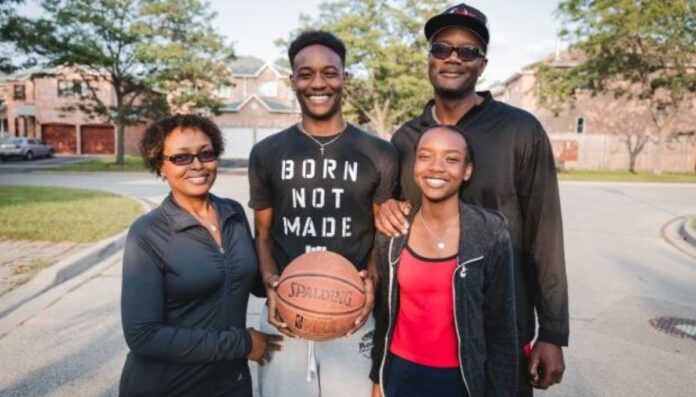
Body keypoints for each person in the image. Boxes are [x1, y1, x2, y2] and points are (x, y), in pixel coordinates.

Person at [374, 4, 568, 396]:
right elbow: (393, 222)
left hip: (501, 328)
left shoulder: (519, 130)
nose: (453, 58)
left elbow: (545, 232)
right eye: (442, 48)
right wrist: (383, 207)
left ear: (483, 64)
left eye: (468, 51)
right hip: (421, 341)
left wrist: (552, 332)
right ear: (429, 59)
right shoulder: (406, 139)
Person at [248, 31, 399, 397]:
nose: (319, 83)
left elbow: (383, 235)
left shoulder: (379, 153)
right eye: (306, 73)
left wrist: (370, 286)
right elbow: (264, 234)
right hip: (287, 310)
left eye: (330, 73)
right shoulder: (267, 153)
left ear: (345, 79)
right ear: (293, 82)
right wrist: (272, 286)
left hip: (352, 311)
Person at [119, 114, 281, 397]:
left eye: (206, 154)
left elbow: (251, 281)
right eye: (181, 158)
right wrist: (241, 344)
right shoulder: (148, 233)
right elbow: (142, 335)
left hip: (231, 384)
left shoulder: (233, 213)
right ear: (160, 166)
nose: (197, 165)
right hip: (168, 387)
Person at [370, 125, 518, 397]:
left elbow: (502, 330)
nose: (436, 167)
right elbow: (385, 317)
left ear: (467, 170)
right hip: (400, 375)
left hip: (461, 379)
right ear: (415, 165)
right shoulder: (393, 232)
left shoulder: (490, 233)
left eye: (451, 159)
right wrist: (377, 378)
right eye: (425, 156)